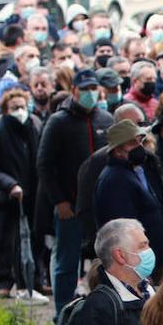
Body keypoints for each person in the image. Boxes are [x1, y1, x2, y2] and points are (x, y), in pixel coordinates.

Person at [38, 68, 112, 312]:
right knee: (67, 263)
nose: (90, 93)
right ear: (74, 91)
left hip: (100, 206)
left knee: (105, 260)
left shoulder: (105, 119)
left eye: (94, 89)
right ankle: (63, 312)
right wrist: (59, 201)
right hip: (70, 205)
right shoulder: (59, 121)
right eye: (85, 89)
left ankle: (103, 310)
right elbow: (45, 164)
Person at [0, 89, 44, 301]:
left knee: (29, 240)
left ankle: (30, 283)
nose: (20, 111)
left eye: (23, 106)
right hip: (5, 196)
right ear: (6, 110)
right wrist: (10, 185)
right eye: (15, 108)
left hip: (30, 196)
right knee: (2, 239)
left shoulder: (32, 128)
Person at [94, 120, 163, 268]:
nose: (139, 147)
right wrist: (135, 264)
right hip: (136, 264)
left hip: (149, 259)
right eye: (132, 143)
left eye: (140, 141)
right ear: (117, 150)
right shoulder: (115, 180)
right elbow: (122, 229)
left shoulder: (136, 171)